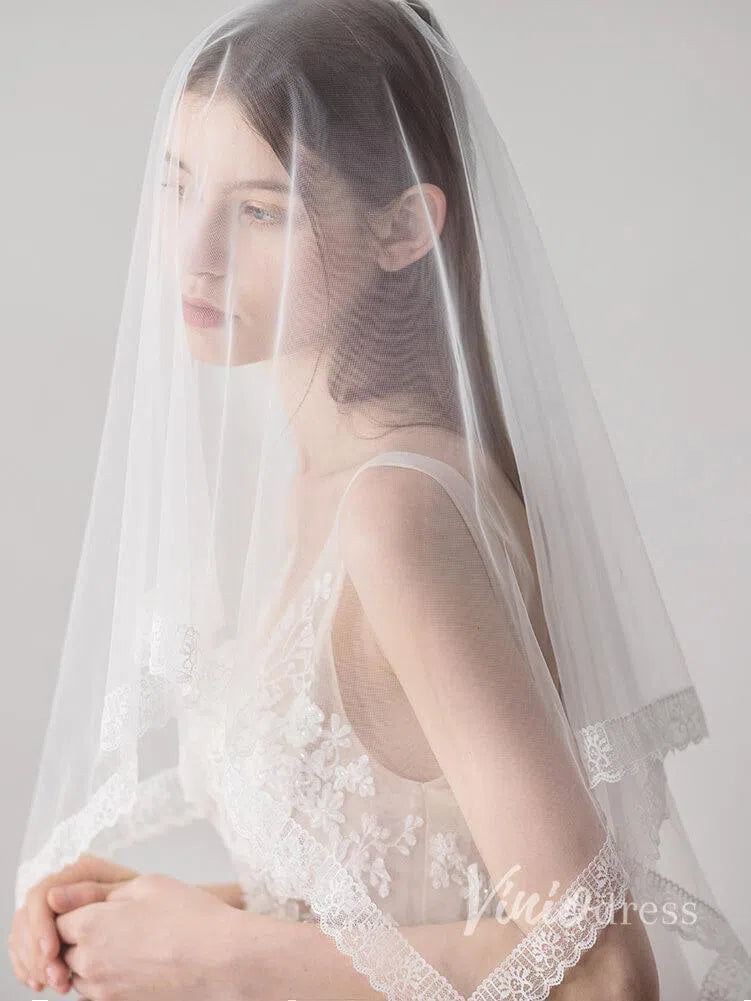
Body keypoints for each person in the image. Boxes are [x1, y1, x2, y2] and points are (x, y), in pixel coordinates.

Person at [9, 0, 750, 998]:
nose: (194, 251)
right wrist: (166, 918)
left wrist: (221, 957)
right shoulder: (314, 493)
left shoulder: (396, 511)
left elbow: (605, 973)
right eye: (178, 186)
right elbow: (407, 896)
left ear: (402, 227)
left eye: (259, 210)